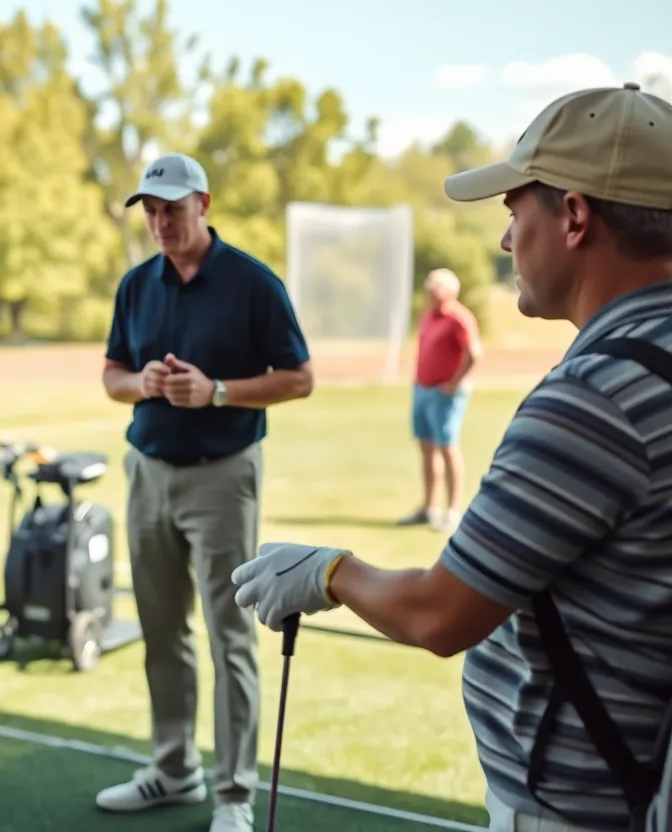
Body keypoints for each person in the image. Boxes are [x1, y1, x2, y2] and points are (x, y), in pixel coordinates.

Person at [231, 82, 672, 832]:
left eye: (513, 213)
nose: (506, 243)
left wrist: (328, 572)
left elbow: (441, 614)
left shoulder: (595, 396)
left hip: (582, 805)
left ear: (573, 215)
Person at [97, 152, 314, 832]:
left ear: (204, 204)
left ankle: (233, 795)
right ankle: (174, 769)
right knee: (161, 630)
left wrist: (217, 391)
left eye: (172, 209)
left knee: (230, 635)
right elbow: (111, 374)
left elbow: (299, 377)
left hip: (224, 476)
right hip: (147, 472)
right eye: (151, 211)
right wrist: (146, 385)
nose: (160, 222)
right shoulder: (136, 285)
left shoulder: (253, 282)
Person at [398, 267, 482, 532]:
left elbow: (474, 353)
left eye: (434, 288)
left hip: (444, 394)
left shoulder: (459, 318)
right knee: (426, 448)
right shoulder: (427, 317)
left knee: (447, 449)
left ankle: (452, 511)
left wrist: (455, 383)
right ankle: (429, 507)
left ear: (448, 292)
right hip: (422, 389)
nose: (429, 293)